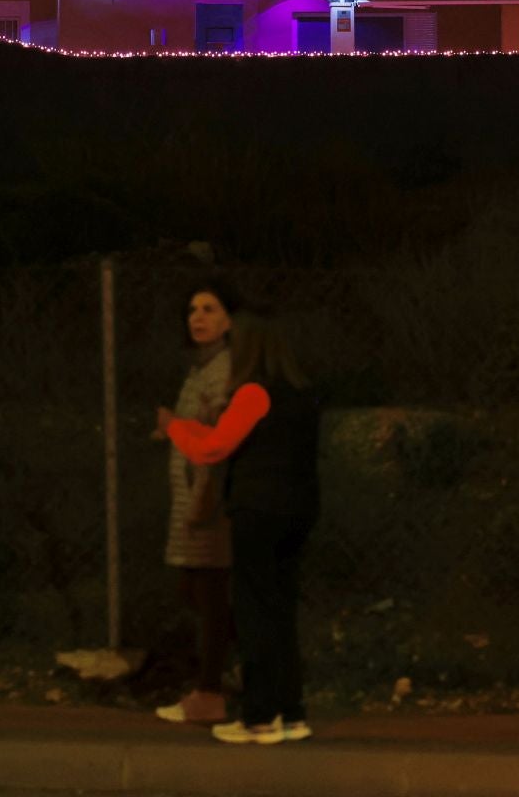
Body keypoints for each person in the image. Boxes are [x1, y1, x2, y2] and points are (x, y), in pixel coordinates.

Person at [160, 310, 320, 745]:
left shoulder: (254, 392)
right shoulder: (303, 394)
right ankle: (292, 713)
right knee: (281, 612)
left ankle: (258, 716)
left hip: (258, 511)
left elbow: (215, 447)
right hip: (299, 510)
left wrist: (175, 427)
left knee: (253, 612)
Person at [153, 281, 239, 725]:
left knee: (208, 594)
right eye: (192, 309)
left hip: (208, 499)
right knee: (197, 589)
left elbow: (221, 437)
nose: (198, 317)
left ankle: (210, 691)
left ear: (228, 320)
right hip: (192, 494)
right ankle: (246, 672)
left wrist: (174, 427)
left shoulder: (224, 371)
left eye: (209, 308)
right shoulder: (198, 369)